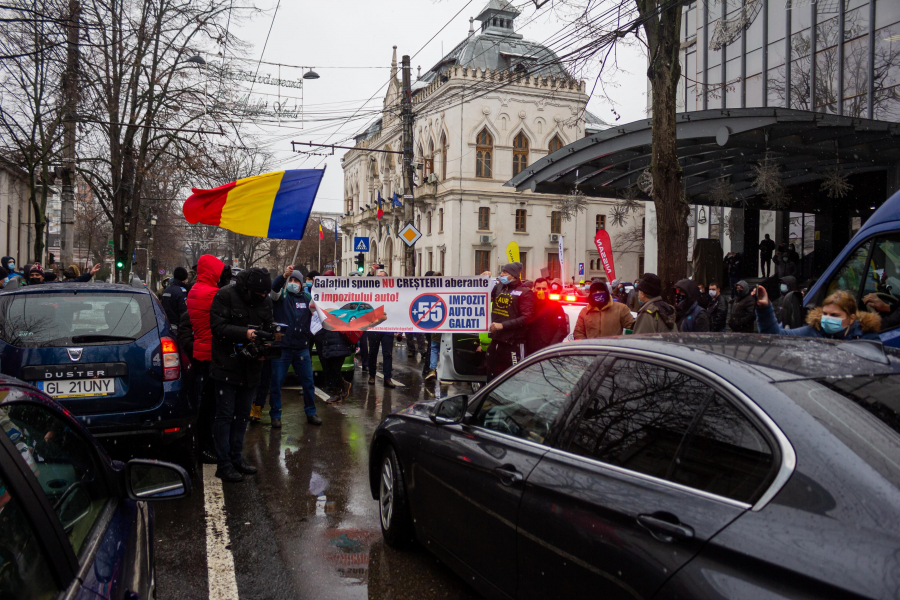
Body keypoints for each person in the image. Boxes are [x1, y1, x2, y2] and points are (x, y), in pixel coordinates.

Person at [209, 266, 274, 482]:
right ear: (247, 289)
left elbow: (268, 330)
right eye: (259, 294)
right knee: (225, 416)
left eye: (265, 294)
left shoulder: (265, 301)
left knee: (242, 416)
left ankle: (237, 457)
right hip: (226, 366)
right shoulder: (225, 295)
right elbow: (217, 327)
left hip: (251, 368)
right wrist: (244, 334)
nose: (263, 297)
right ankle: (224, 463)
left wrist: (265, 348)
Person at [264, 266, 321, 428]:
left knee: (308, 382)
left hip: (301, 348)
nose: (294, 283)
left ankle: (311, 412)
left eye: (297, 281)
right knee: (276, 382)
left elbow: (323, 305)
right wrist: (283, 276)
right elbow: (274, 288)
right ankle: (275, 415)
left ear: (302, 284)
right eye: (292, 280)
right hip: (282, 348)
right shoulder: (281, 297)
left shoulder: (306, 298)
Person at [185, 255, 229, 464]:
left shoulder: (195, 289)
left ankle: (201, 443)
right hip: (210, 353)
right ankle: (206, 446)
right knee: (210, 405)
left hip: (201, 352)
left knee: (204, 402)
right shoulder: (212, 293)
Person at [756, 287, 881, 340]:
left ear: (851, 318)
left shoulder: (866, 338)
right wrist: (765, 309)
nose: (827, 318)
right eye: (825, 313)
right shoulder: (813, 331)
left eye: (834, 315)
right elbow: (775, 337)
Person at [486, 262, 534, 381]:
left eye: (505, 272)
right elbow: (482, 296)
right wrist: (483, 280)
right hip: (497, 340)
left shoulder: (525, 292)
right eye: (502, 272)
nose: (501, 274)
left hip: (514, 343)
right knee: (493, 376)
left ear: (513, 275)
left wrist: (502, 325)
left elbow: (527, 317)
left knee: (515, 378)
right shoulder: (499, 288)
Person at [313, 270, 353, 403]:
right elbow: (311, 307)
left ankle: (338, 391)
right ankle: (339, 389)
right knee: (330, 368)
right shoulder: (321, 296)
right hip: (328, 337)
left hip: (338, 338)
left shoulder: (342, 296)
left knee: (335, 368)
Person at [367, 269, 397, 387]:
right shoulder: (372, 290)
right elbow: (365, 284)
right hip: (374, 326)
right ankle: (372, 375)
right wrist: (371, 273)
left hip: (387, 327)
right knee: (373, 353)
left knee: (387, 353)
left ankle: (387, 378)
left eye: (381, 277)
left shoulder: (391, 291)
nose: (378, 279)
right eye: (377, 277)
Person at [527, 277, 569, 352]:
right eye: (538, 288)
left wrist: (551, 348)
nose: (541, 291)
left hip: (546, 348)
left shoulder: (555, 306)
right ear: (534, 289)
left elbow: (561, 329)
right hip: (528, 347)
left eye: (544, 289)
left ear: (548, 290)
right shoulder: (528, 304)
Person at [424, 271, 445, 382]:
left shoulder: (430, 291)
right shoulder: (447, 290)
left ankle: (432, 369)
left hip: (435, 324)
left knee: (434, 347)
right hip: (445, 325)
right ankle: (443, 372)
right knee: (444, 348)